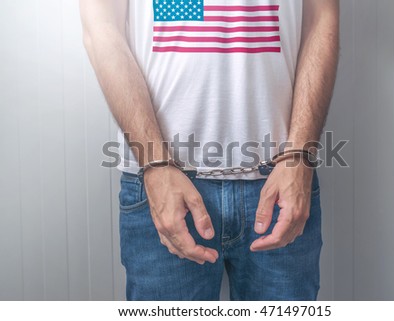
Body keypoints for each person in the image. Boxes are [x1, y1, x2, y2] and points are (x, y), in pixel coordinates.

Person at [80, 0, 339, 300]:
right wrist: (155, 165)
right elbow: (101, 28)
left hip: (281, 182)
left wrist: (299, 157)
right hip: (162, 183)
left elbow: (322, 18)